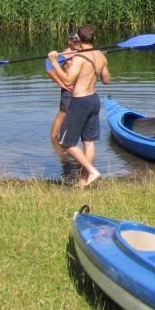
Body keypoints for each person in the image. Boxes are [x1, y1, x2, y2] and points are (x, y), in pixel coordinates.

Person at [48, 24, 110, 188]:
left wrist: (54, 62)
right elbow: (106, 80)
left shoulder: (79, 58)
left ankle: (91, 171)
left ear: (79, 40)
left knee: (65, 142)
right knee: (88, 141)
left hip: (80, 101)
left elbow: (68, 81)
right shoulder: (101, 56)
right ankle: (83, 181)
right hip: (94, 100)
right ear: (94, 38)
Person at [47, 30, 81, 143]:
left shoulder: (84, 50)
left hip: (82, 89)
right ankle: (54, 139)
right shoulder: (65, 54)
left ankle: (72, 137)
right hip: (69, 89)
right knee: (63, 114)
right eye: (75, 41)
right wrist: (61, 84)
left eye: (79, 41)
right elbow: (49, 67)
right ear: (69, 41)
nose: (77, 43)